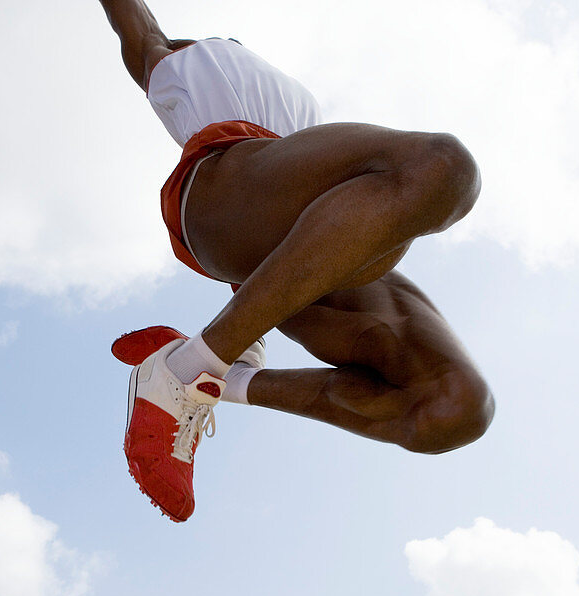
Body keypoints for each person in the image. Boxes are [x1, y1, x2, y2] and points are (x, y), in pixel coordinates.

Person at [100, 0, 495, 522]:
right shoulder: (174, 62)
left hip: (314, 236)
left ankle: (215, 379)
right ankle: (192, 367)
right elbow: (139, 24)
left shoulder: (300, 112)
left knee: (455, 407)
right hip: (227, 189)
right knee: (443, 169)